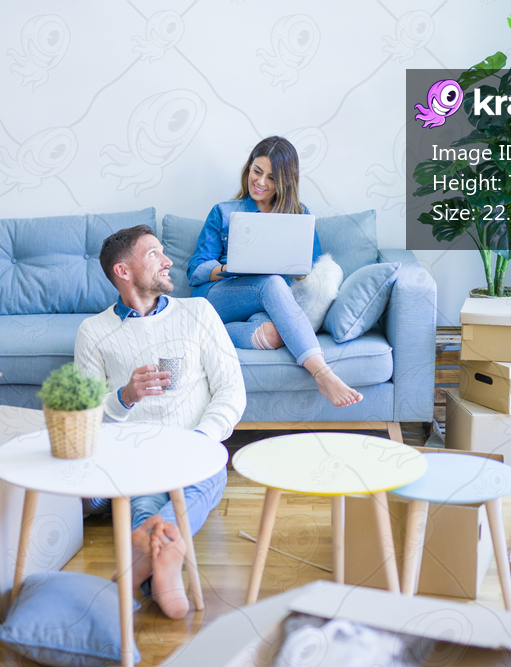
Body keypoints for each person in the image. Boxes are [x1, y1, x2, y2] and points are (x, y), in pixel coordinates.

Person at [74, 224, 245, 620]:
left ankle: (150, 555)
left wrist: (199, 443)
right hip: (134, 456)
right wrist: (124, 397)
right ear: (123, 271)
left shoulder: (198, 312)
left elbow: (231, 391)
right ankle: (164, 555)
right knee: (146, 490)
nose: (168, 261)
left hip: (195, 449)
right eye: (154, 254)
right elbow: (83, 417)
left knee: (209, 471)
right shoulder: (94, 332)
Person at [188, 136, 363, 408]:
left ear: (285, 182)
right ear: (248, 169)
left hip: (268, 302)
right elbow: (195, 271)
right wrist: (229, 267)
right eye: (257, 172)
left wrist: (294, 267)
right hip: (218, 296)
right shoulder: (223, 212)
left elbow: (310, 270)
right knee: (269, 282)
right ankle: (322, 373)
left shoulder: (299, 215)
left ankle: (205, 333)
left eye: (271, 178)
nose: (260, 182)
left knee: (272, 334)